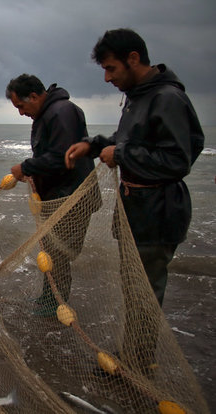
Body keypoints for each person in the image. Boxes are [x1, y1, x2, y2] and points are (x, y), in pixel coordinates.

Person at [65, 28, 204, 373]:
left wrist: (121, 152)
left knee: (144, 294)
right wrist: (95, 145)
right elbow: (128, 139)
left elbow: (177, 160)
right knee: (134, 290)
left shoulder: (167, 98)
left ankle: (138, 366)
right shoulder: (140, 95)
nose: (107, 77)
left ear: (133, 59)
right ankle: (136, 355)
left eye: (111, 69)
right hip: (135, 209)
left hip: (158, 212)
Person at [6, 74, 99, 316]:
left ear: (35, 96)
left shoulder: (61, 112)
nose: (20, 113)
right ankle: (50, 297)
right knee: (51, 249)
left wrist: (26, 167)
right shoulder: (48, 112)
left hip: (71, 196)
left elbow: (63, 157)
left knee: (58, 252)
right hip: (59, 195)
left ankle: (55, 303)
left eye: (21, 106)